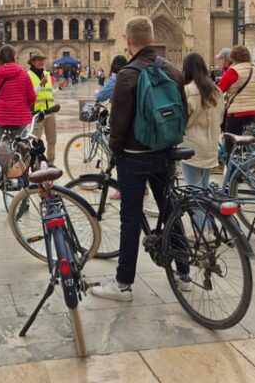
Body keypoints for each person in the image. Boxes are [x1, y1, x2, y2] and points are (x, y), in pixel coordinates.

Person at [92, 16, 191, 301]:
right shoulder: (172, 69)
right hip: (165, 153)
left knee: (130, 217)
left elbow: (119, 121)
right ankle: (184, 271)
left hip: (134, 157)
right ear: (152, 38)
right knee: (169, 207)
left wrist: (115, 151)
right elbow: (183, 110)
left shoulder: (127, 73)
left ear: (128, 41)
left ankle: (123, 283)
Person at [0, 45, 36, 191]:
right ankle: (23, 178)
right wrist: (22, 105)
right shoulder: (24, 74)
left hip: (0, 117)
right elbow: (32, 97)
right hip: (20, 117)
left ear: (0, 58)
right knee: (21, 147)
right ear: (14, 57)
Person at [180, 53, 224, 229]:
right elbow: (220, 117)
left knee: (195, 194)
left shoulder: (188, 91)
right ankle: (209, 228)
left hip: (192, 147)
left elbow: (183, 119)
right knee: (204, 191)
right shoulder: (216, 90)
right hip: (211, 146)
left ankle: (204, 233)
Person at [217, 45, 255, 156]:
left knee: (230, 142)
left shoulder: (233, 71)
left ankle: (231, 165)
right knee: (240, 137)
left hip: (238, 112)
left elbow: (218, 90)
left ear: (232, 57)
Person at [27, 53, 58, 164]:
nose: (41, 62)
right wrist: (40, 84)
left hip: (49, 112)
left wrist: (59, 88)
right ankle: (36, 166)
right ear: (33, 62)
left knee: (52, 140)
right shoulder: (28, 75)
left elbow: (49, 93)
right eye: (38, 60)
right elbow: (29, 95)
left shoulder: (47, 74)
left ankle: (50, 164)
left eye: (42, 60)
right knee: (35, 142)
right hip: (37, 114)